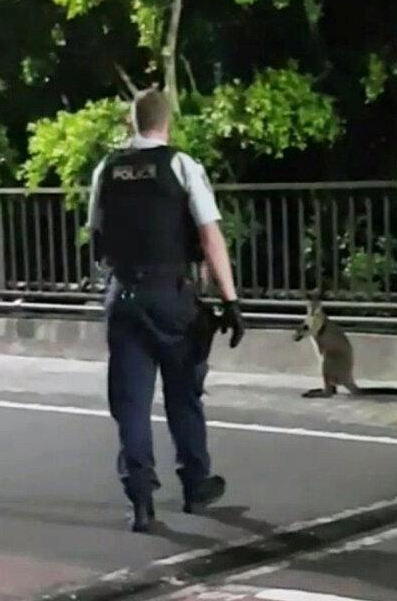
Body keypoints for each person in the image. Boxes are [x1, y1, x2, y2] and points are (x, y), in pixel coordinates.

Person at [87, 87, 246, 533]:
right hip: (171, 294)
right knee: (183, 392)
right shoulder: (181, 165)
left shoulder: (107, 169)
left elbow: (97, 237)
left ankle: (141, 499)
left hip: (123, 295)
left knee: (131, 403)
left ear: (132, 124)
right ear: (166, 121)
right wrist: (230, 301)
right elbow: (211, 236)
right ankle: (195, 483)